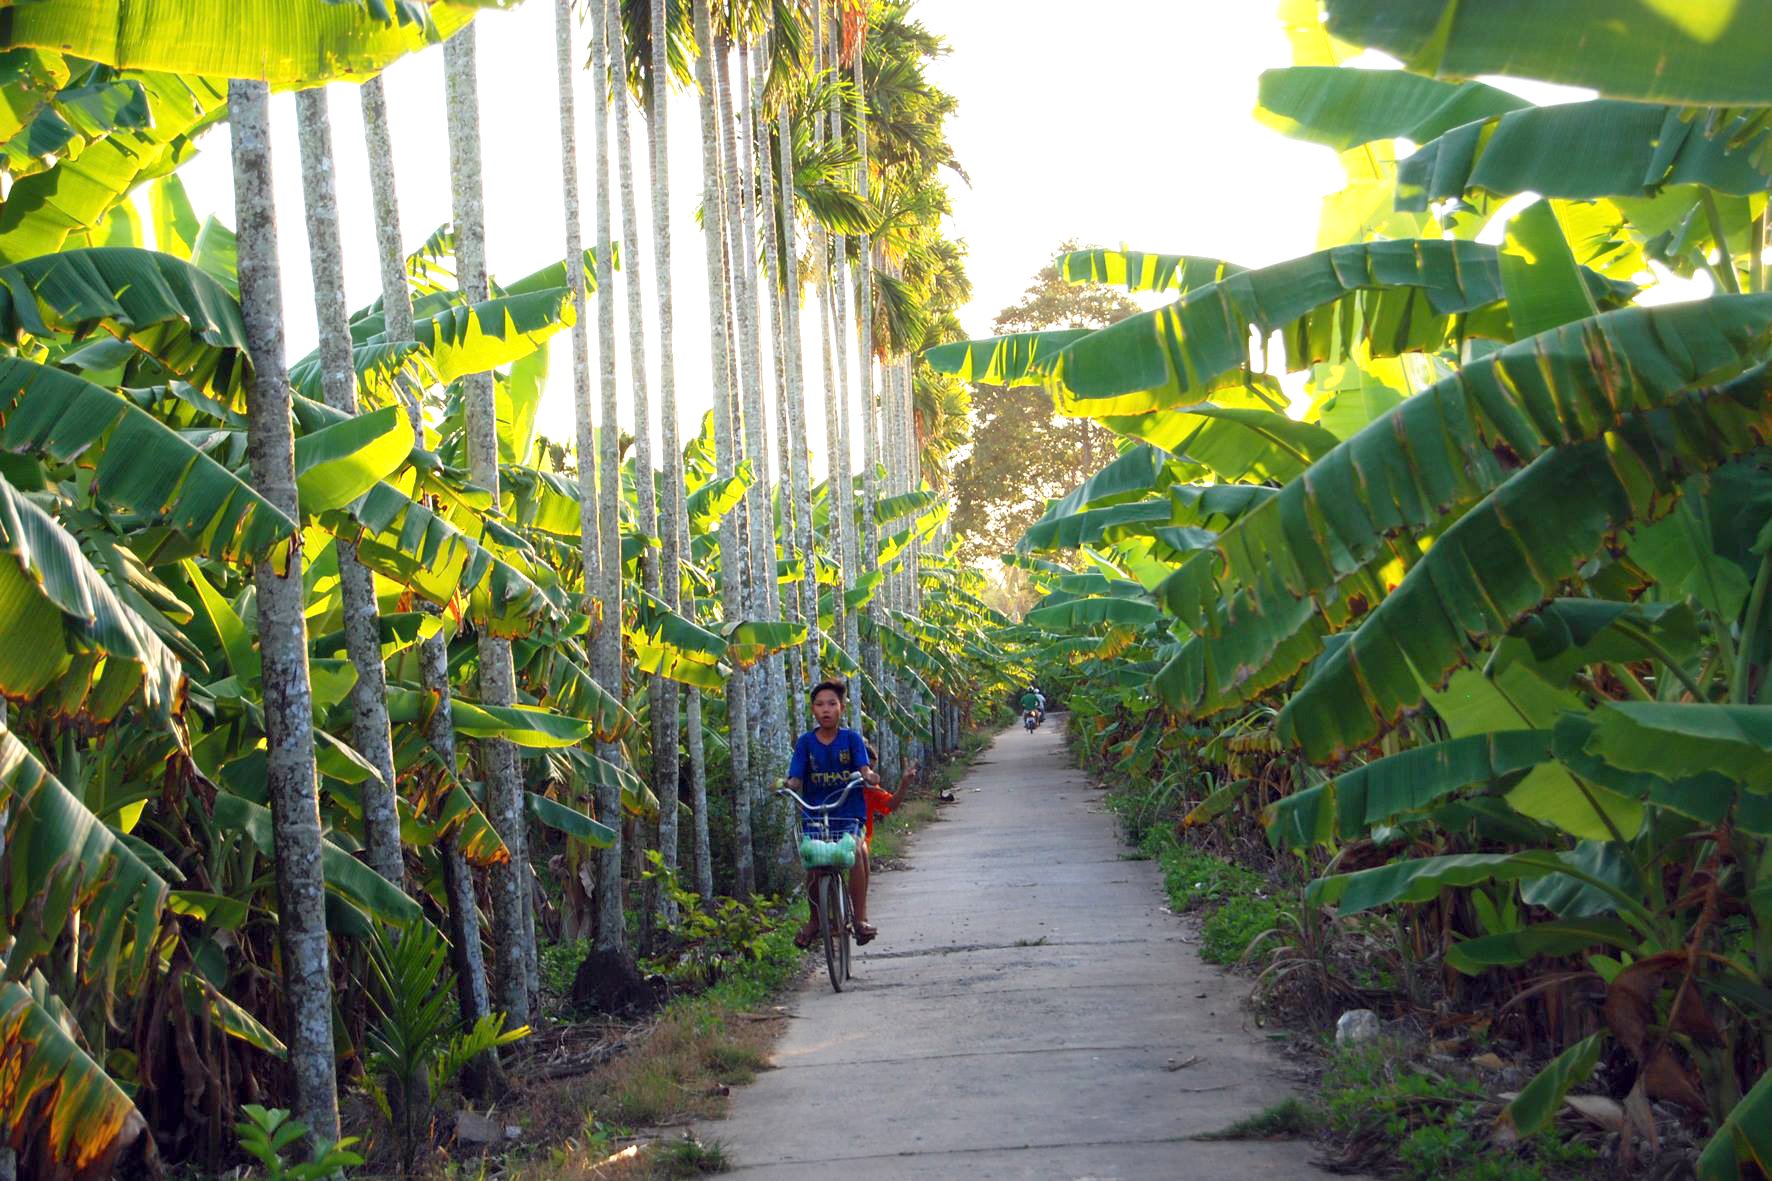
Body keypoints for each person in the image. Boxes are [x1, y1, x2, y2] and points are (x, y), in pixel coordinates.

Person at [786, 680, 881, 947]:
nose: (825, 709)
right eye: (819, 704)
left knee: (858, 852)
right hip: (816, 812)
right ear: (813, 710)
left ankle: (860, 920)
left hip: (849, 812)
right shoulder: (805, 743)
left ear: (841, 708)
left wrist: (869, 775)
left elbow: (863, 768)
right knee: (813, 860)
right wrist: (788, 785)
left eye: (831, 704)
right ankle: (815, 920)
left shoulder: (851, 739)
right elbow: (796, 776)